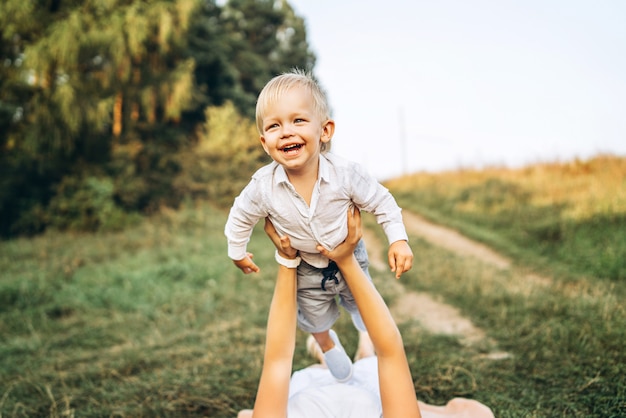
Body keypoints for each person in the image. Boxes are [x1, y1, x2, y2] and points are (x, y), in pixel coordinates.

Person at [224, 69, 413, 382]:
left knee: (364, 306)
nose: (285, 132)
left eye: (298, 121)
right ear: (264, 142)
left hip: (350, 258)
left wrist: (398, 240)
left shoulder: (345, 174)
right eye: (274, 126)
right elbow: (240, 215)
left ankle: (369, 336)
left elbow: (382, 201)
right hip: (308, 267)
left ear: (325, 130)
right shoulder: (263, 186)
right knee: (313, 318)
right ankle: (326, 345)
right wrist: (236, 249)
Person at [237, 208, 495, 418]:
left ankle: (326, 354)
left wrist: (288, 259)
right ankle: (361, 344)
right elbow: (391, 351)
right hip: (374, 393)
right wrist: (346, 260)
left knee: (248, 414)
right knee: (473, 413)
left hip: (311, 392)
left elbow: (279, 357)